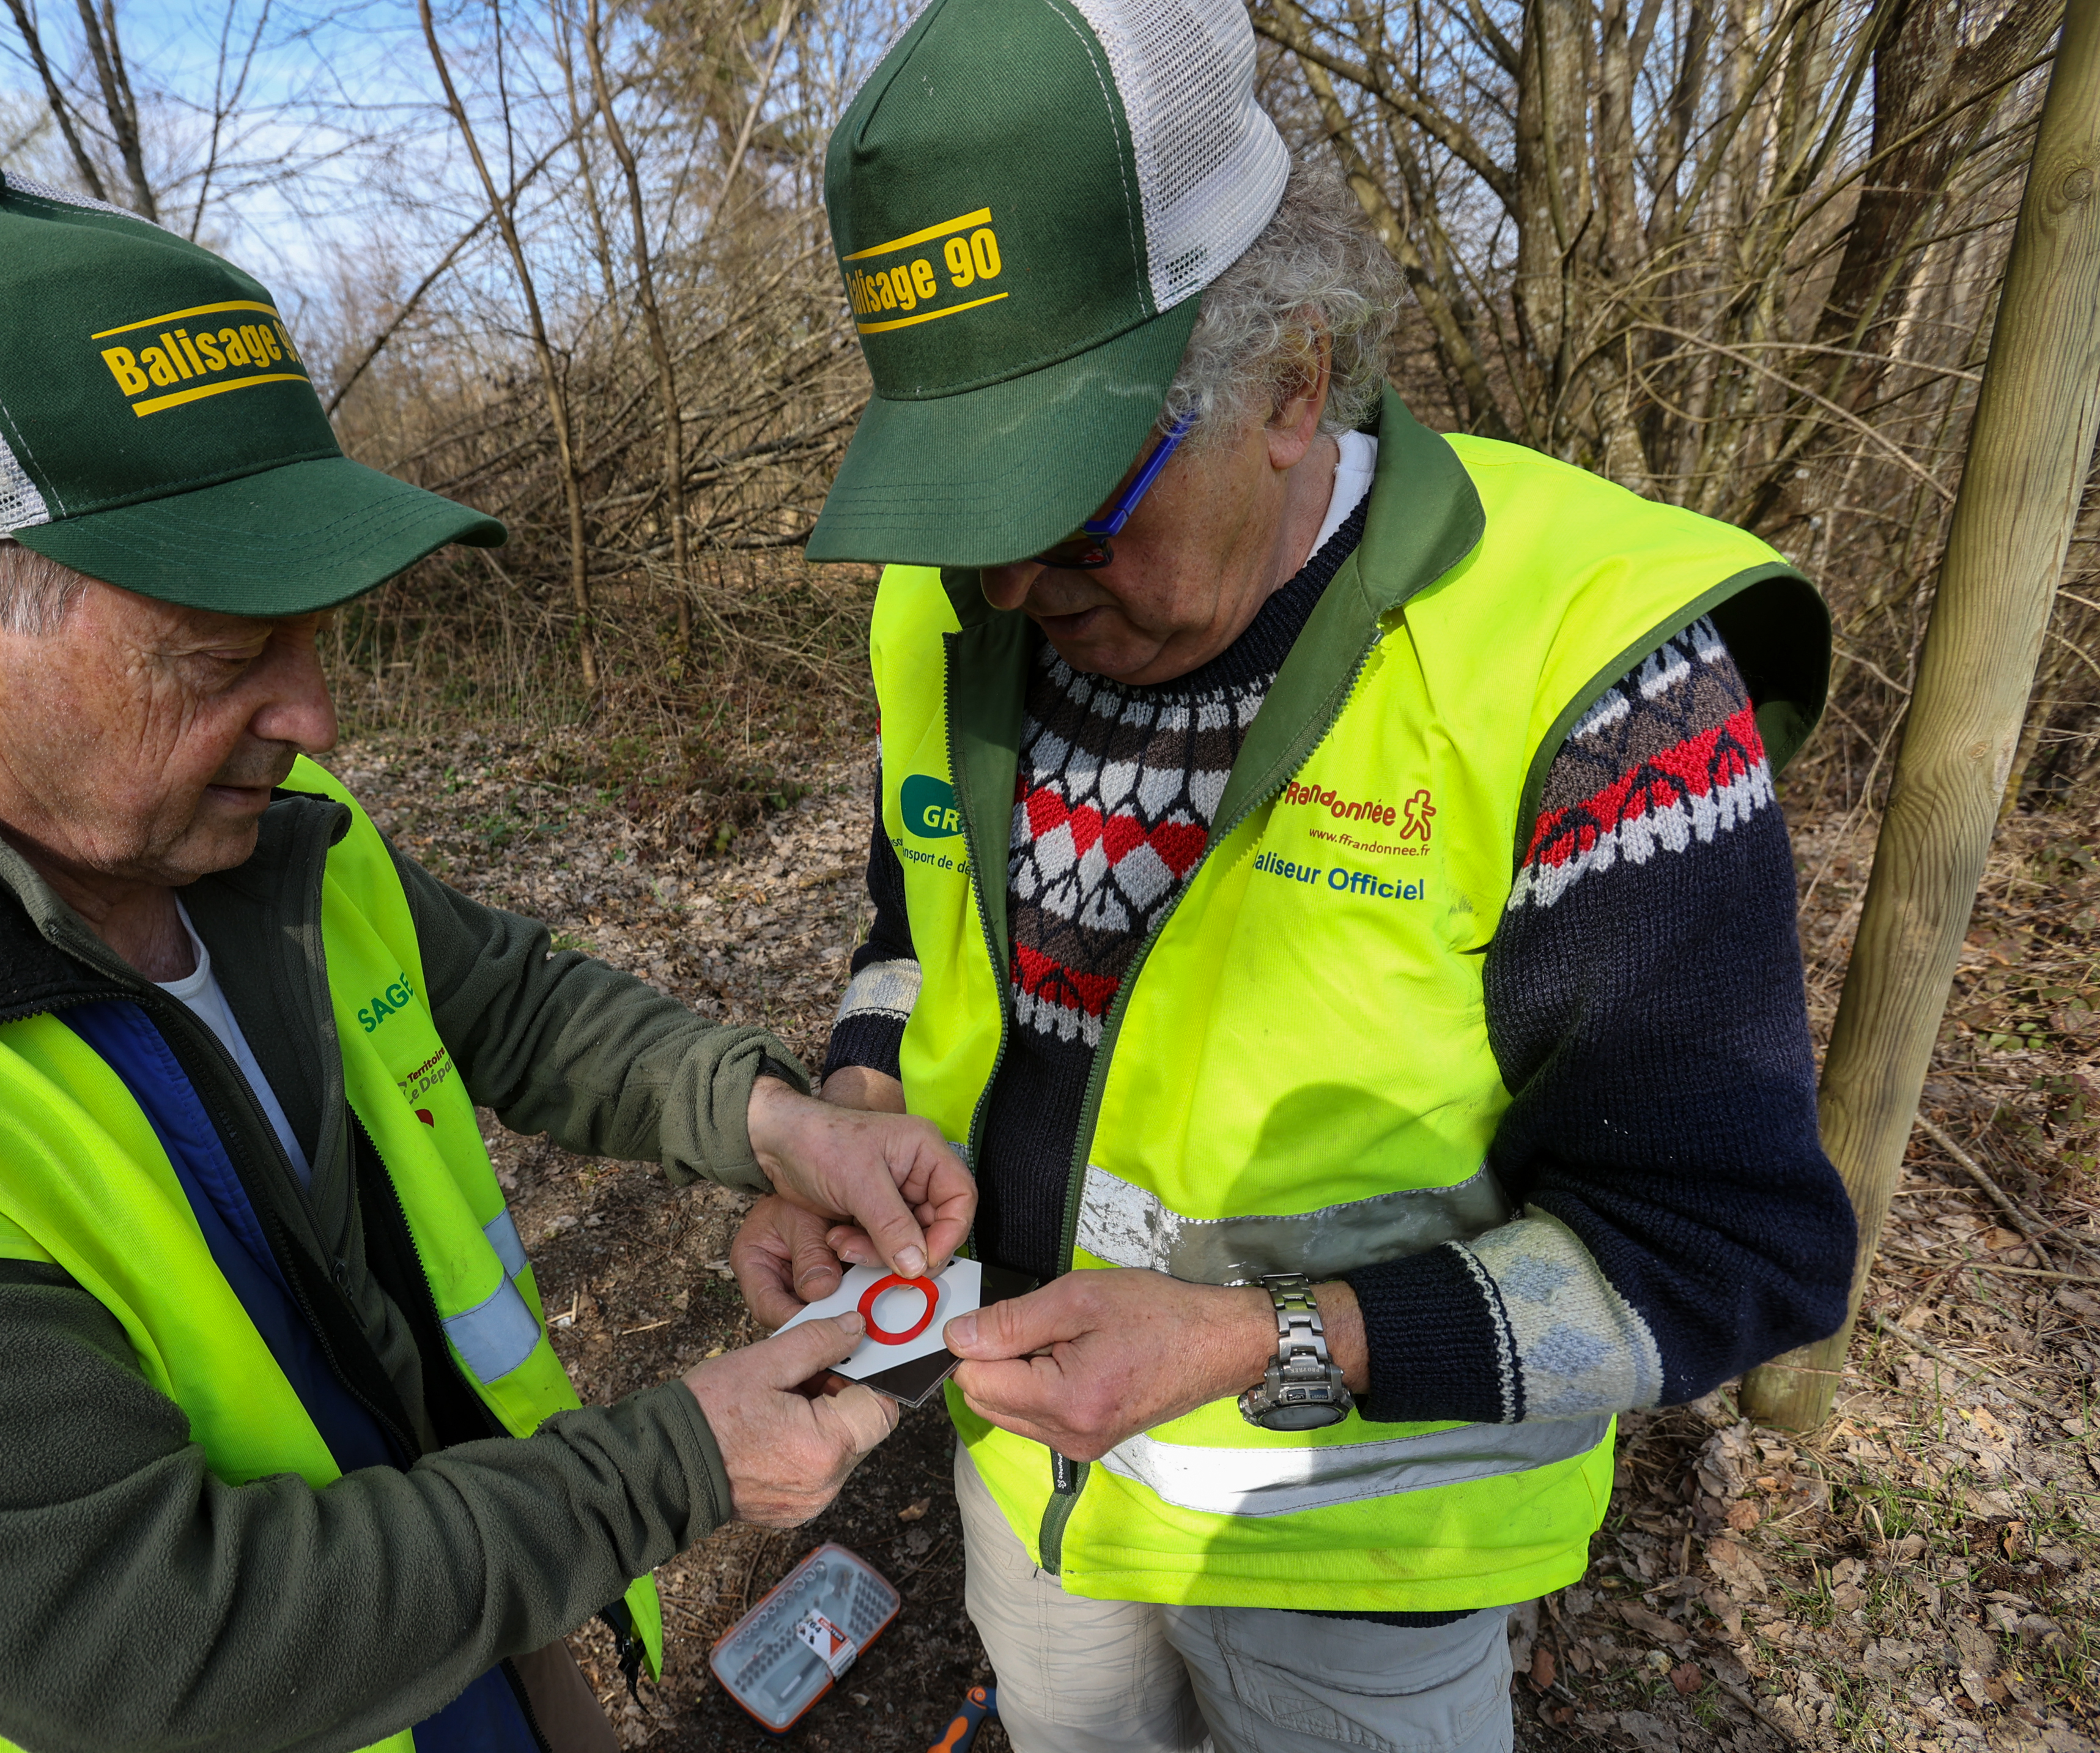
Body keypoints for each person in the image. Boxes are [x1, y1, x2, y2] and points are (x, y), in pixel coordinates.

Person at [0, 152, 974, 1753]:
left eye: (317, 632)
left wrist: (763, 1118)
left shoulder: (254, 827)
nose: (314, 719)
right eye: (217, 652)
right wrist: (673, 1466)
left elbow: (497, 998)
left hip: (470, 1648)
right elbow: (151, 1649)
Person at [731, 1, 1860, 1748]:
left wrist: (1262, 1339)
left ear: (1291, 372)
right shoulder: (943, 614)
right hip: (1031, 1490)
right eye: (968, 510)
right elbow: (912, 919)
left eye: (1078, 501)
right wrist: (857, 1096)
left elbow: (1723, 1258)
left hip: (1355, 1565)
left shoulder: (1589, 676)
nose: (1011, 583)